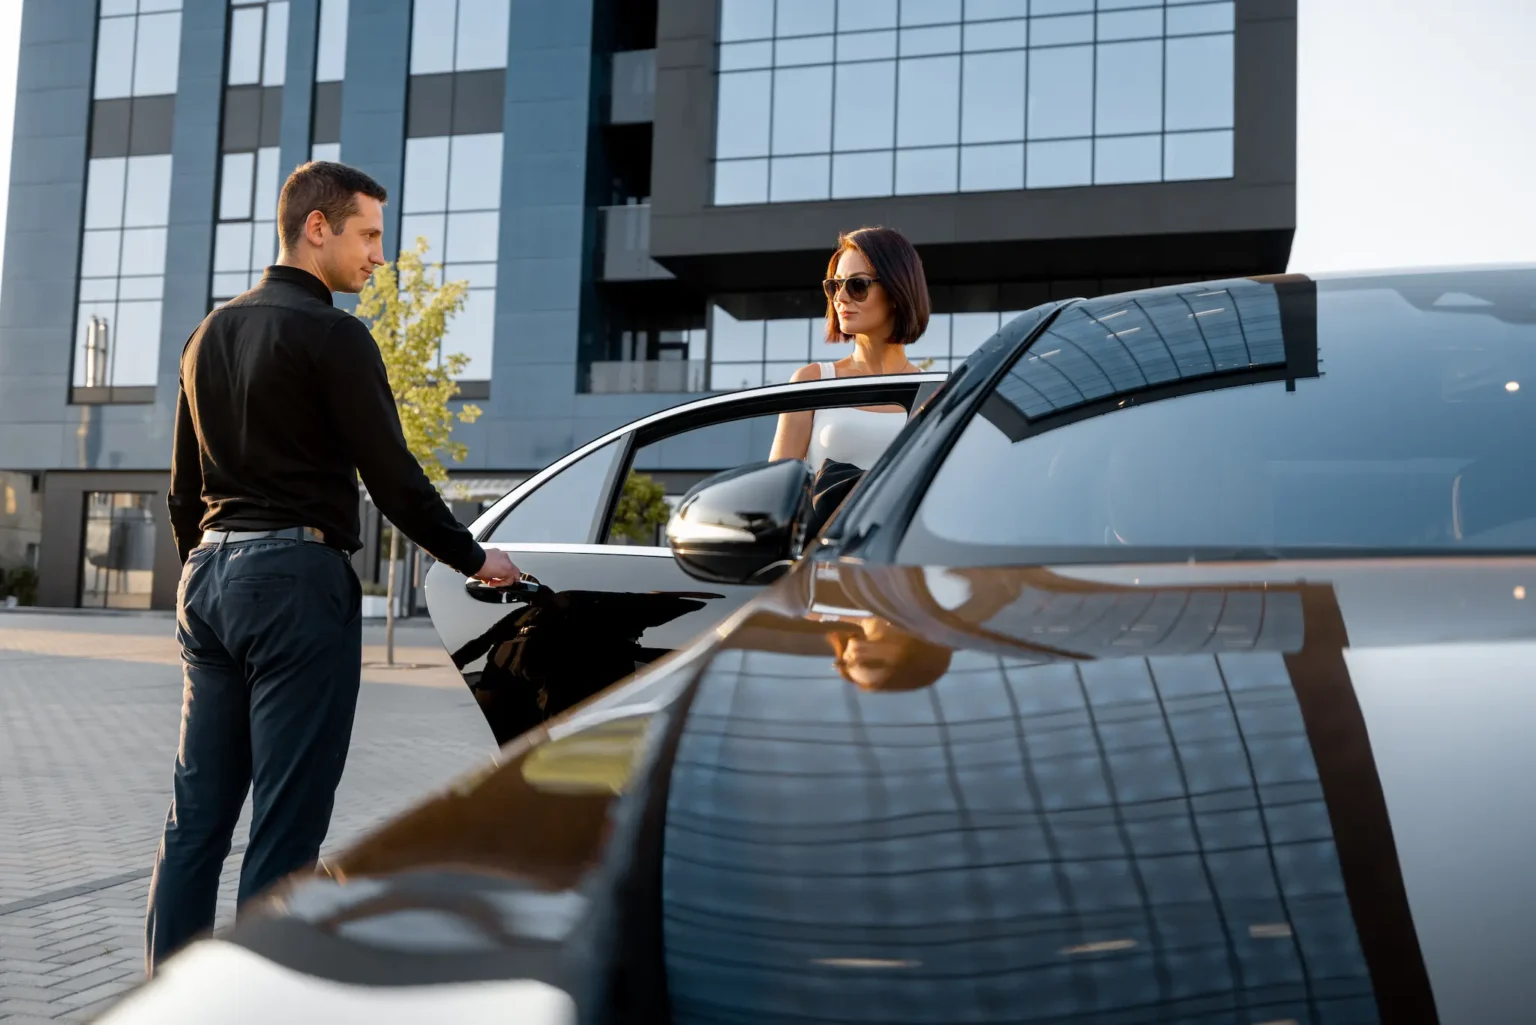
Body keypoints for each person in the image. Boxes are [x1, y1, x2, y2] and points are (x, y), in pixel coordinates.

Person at [147, 161, 520, 974]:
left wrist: (207, 575)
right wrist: (472, 554)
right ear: (317, 228)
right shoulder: (335, 336)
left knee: (195, 823)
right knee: (285, 829)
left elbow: (182, 490)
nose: (378, 255)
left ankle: (166, 1001)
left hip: (208, 580)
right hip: (294, 583)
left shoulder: (205, 333)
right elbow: (394, 479)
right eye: (369, 234)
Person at [768, 226, 931, 536]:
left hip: (899, 569)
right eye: (834, 286)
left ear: (897, 290)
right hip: (826, 566)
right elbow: (776, 499)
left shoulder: (934, 392)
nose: (840, 298)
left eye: (857, 285)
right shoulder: (813, 381)